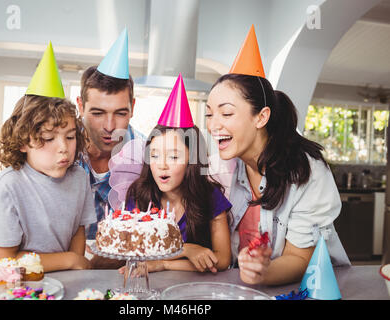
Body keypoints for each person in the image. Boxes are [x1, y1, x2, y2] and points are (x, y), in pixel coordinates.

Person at [205, 26, 350, 285]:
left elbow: (299, 258)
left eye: (226, 113)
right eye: (209, 114)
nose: (214, 125)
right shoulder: (223, 165)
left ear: (261, 117)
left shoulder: (307, 171)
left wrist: (263, 271)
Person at [0, 43, 96, 272]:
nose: (63, 148)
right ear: (23, 141)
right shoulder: (7, 186)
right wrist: (71, 261)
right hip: (11, 284)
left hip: (61, 280)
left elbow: (77, 229)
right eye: (48, 138)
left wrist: (74, 269)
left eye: (70, 136)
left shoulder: (78, 178)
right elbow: (4, 261)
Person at [118, 75, 232, 274]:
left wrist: (164, 263)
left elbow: (222, 260)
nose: (161, 165)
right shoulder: (139, 193)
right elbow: (135, 251)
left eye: (173, 156)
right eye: (154, 155)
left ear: (192, 160)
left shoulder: (210, 197)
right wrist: (186, 249)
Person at [76, 29, 144, 269]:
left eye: (120, 113)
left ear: (133, 107)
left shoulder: (149, 157)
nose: (109, 127)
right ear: (80, 106)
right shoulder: (59, 150)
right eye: (97, 113)